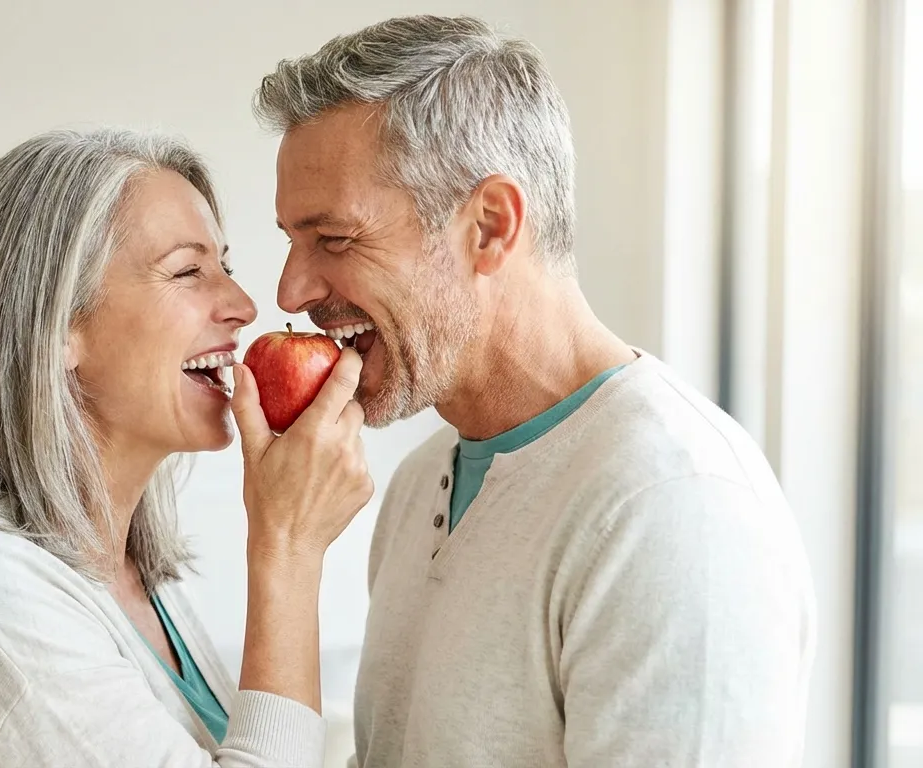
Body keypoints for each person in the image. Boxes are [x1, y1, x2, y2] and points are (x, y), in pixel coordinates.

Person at [253, 14, 816, 768]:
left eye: (335, 239)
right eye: (292, 240)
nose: (292, 289)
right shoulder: (422, 485)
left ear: (489, 226)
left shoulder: (675, 507)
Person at [0, 128, 373, 767]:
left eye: (227, 266)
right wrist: (289, 549)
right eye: (188, 271)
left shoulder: (136, 582)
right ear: (56, 329)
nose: (245, 306)